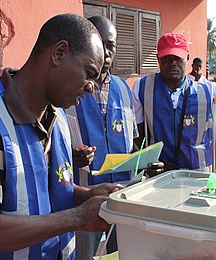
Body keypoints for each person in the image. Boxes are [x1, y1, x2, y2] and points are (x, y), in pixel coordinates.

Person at [0, 14, 120, 259]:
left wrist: (85, 195)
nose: (91, 86)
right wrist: (79, 217)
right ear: (59, 53)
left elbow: (40, 189)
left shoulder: (57, 114)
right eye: (88, 72)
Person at [67, 16, 162, 259]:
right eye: (101, 44)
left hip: (122, 193)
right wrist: (71, 155)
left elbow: (130, 142)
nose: (107, 54)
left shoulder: (123, 88)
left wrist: (143, 161)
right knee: (84, 253)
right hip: (82, 194)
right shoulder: (68, 87)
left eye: (112, 45)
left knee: (119, 251)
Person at [133, 32, 216, 172]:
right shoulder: (142, 87)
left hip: (197, 174)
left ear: (187, 58)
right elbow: (137, 135)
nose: (172, 63)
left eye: (177, 58)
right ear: (158, 59)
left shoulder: (206, 89)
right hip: (159, 175)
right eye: (166, 58)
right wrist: (145, 163)